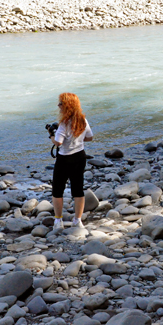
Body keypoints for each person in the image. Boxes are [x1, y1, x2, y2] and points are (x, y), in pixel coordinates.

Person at [49, 92, 93, 231]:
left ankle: (58, 221)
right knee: (78, 188)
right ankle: (77, 220)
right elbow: (90, 137)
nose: (58, 105)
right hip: (80, 156)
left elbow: (58, 143)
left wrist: (51, 135)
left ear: (67, 106)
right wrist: (78, 140)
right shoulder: (83, 120)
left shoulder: (63, 124)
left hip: (65, 159)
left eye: (61, 103)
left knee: (58, 189)